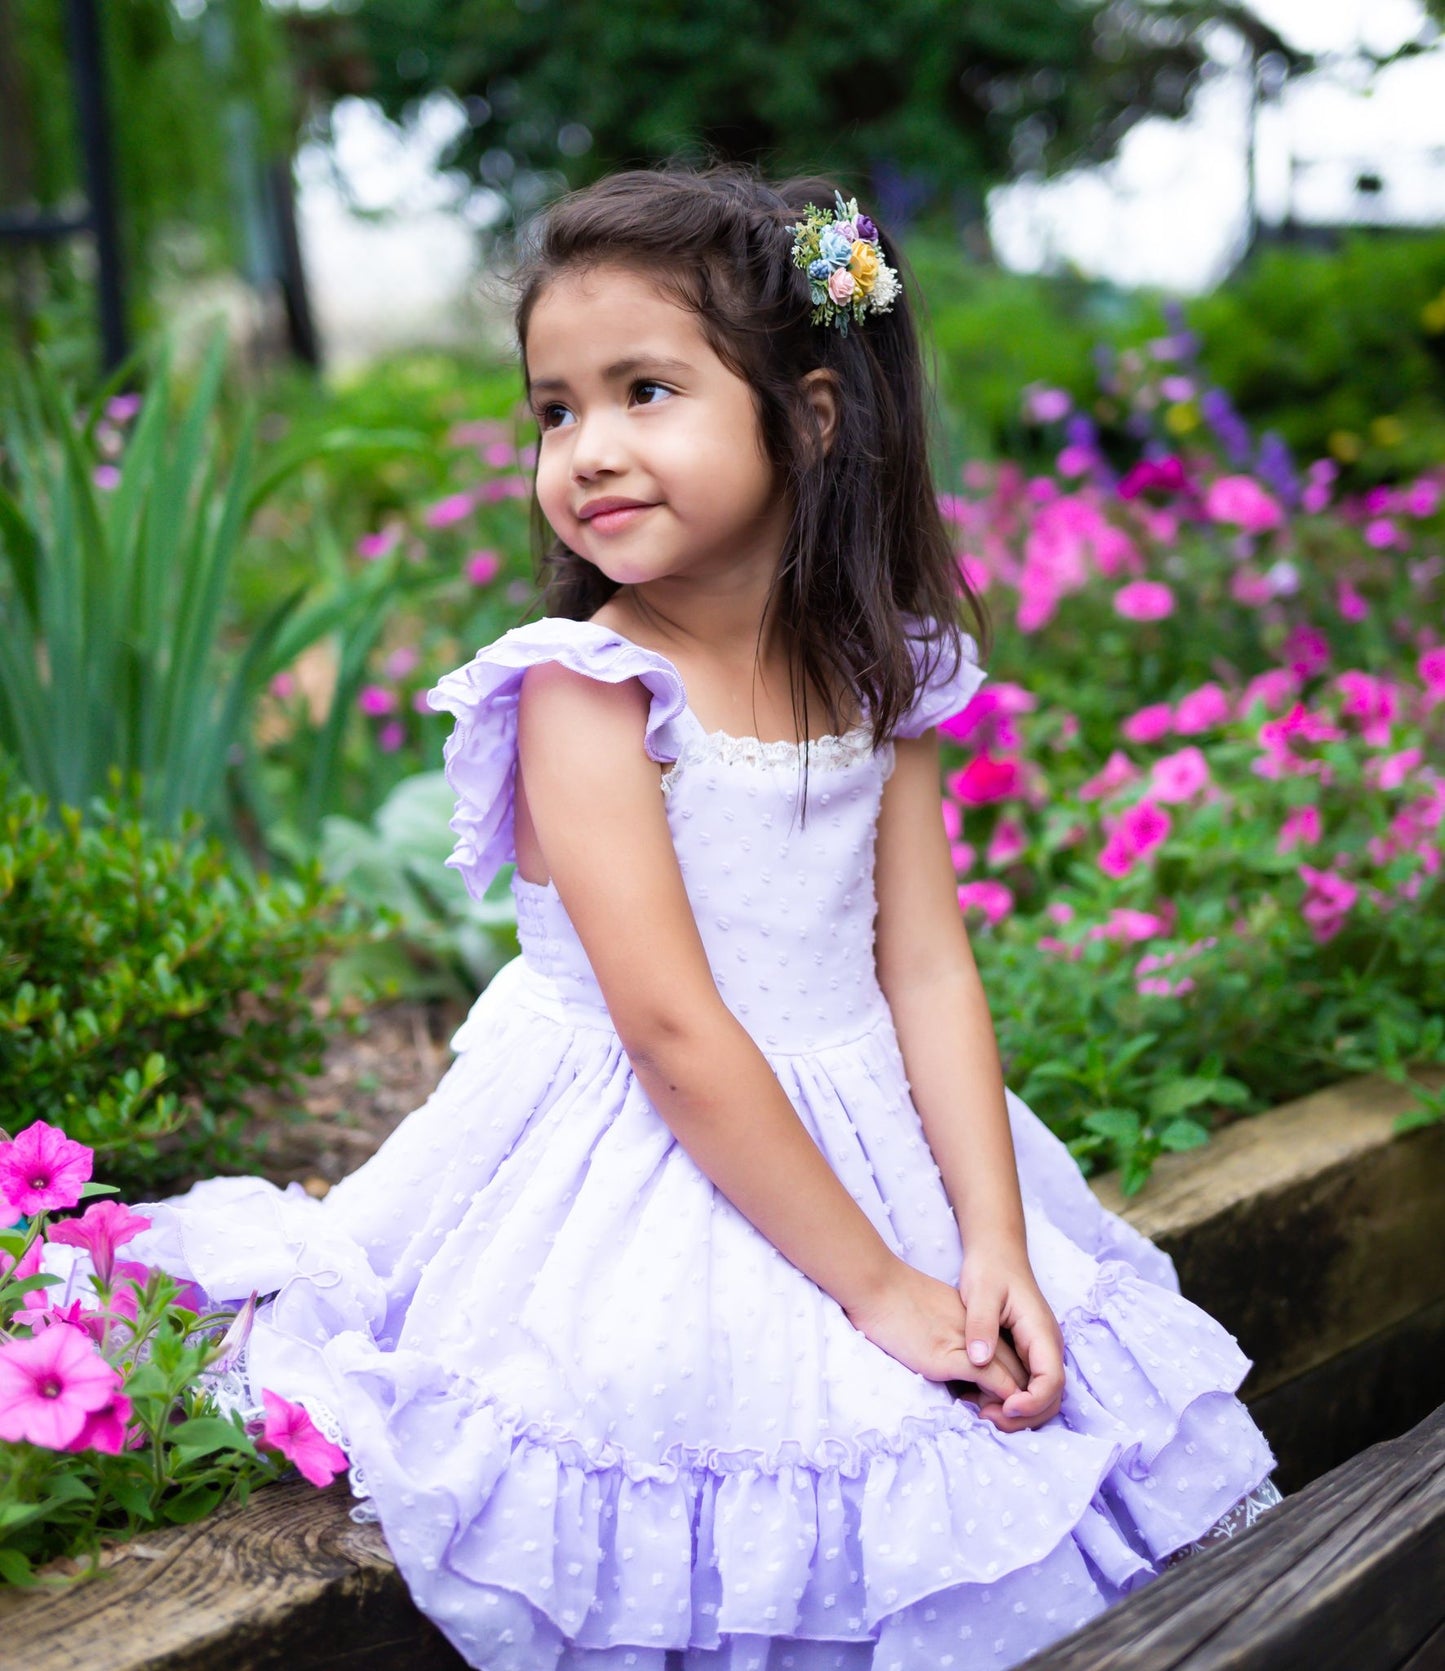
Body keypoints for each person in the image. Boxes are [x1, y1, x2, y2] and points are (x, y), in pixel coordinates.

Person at [132, 163, 1284, 1670]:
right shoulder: (589, 688)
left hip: (847, 1122)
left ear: (809, 416)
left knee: (1002, 1411)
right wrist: (879, 1287)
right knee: (749, 1436)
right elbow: (673, 1033)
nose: (587, 450)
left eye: (644, 391)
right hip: (633, 1153)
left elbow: (926, 967)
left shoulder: (876, 672)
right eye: (556, 409)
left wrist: (987, 1239)